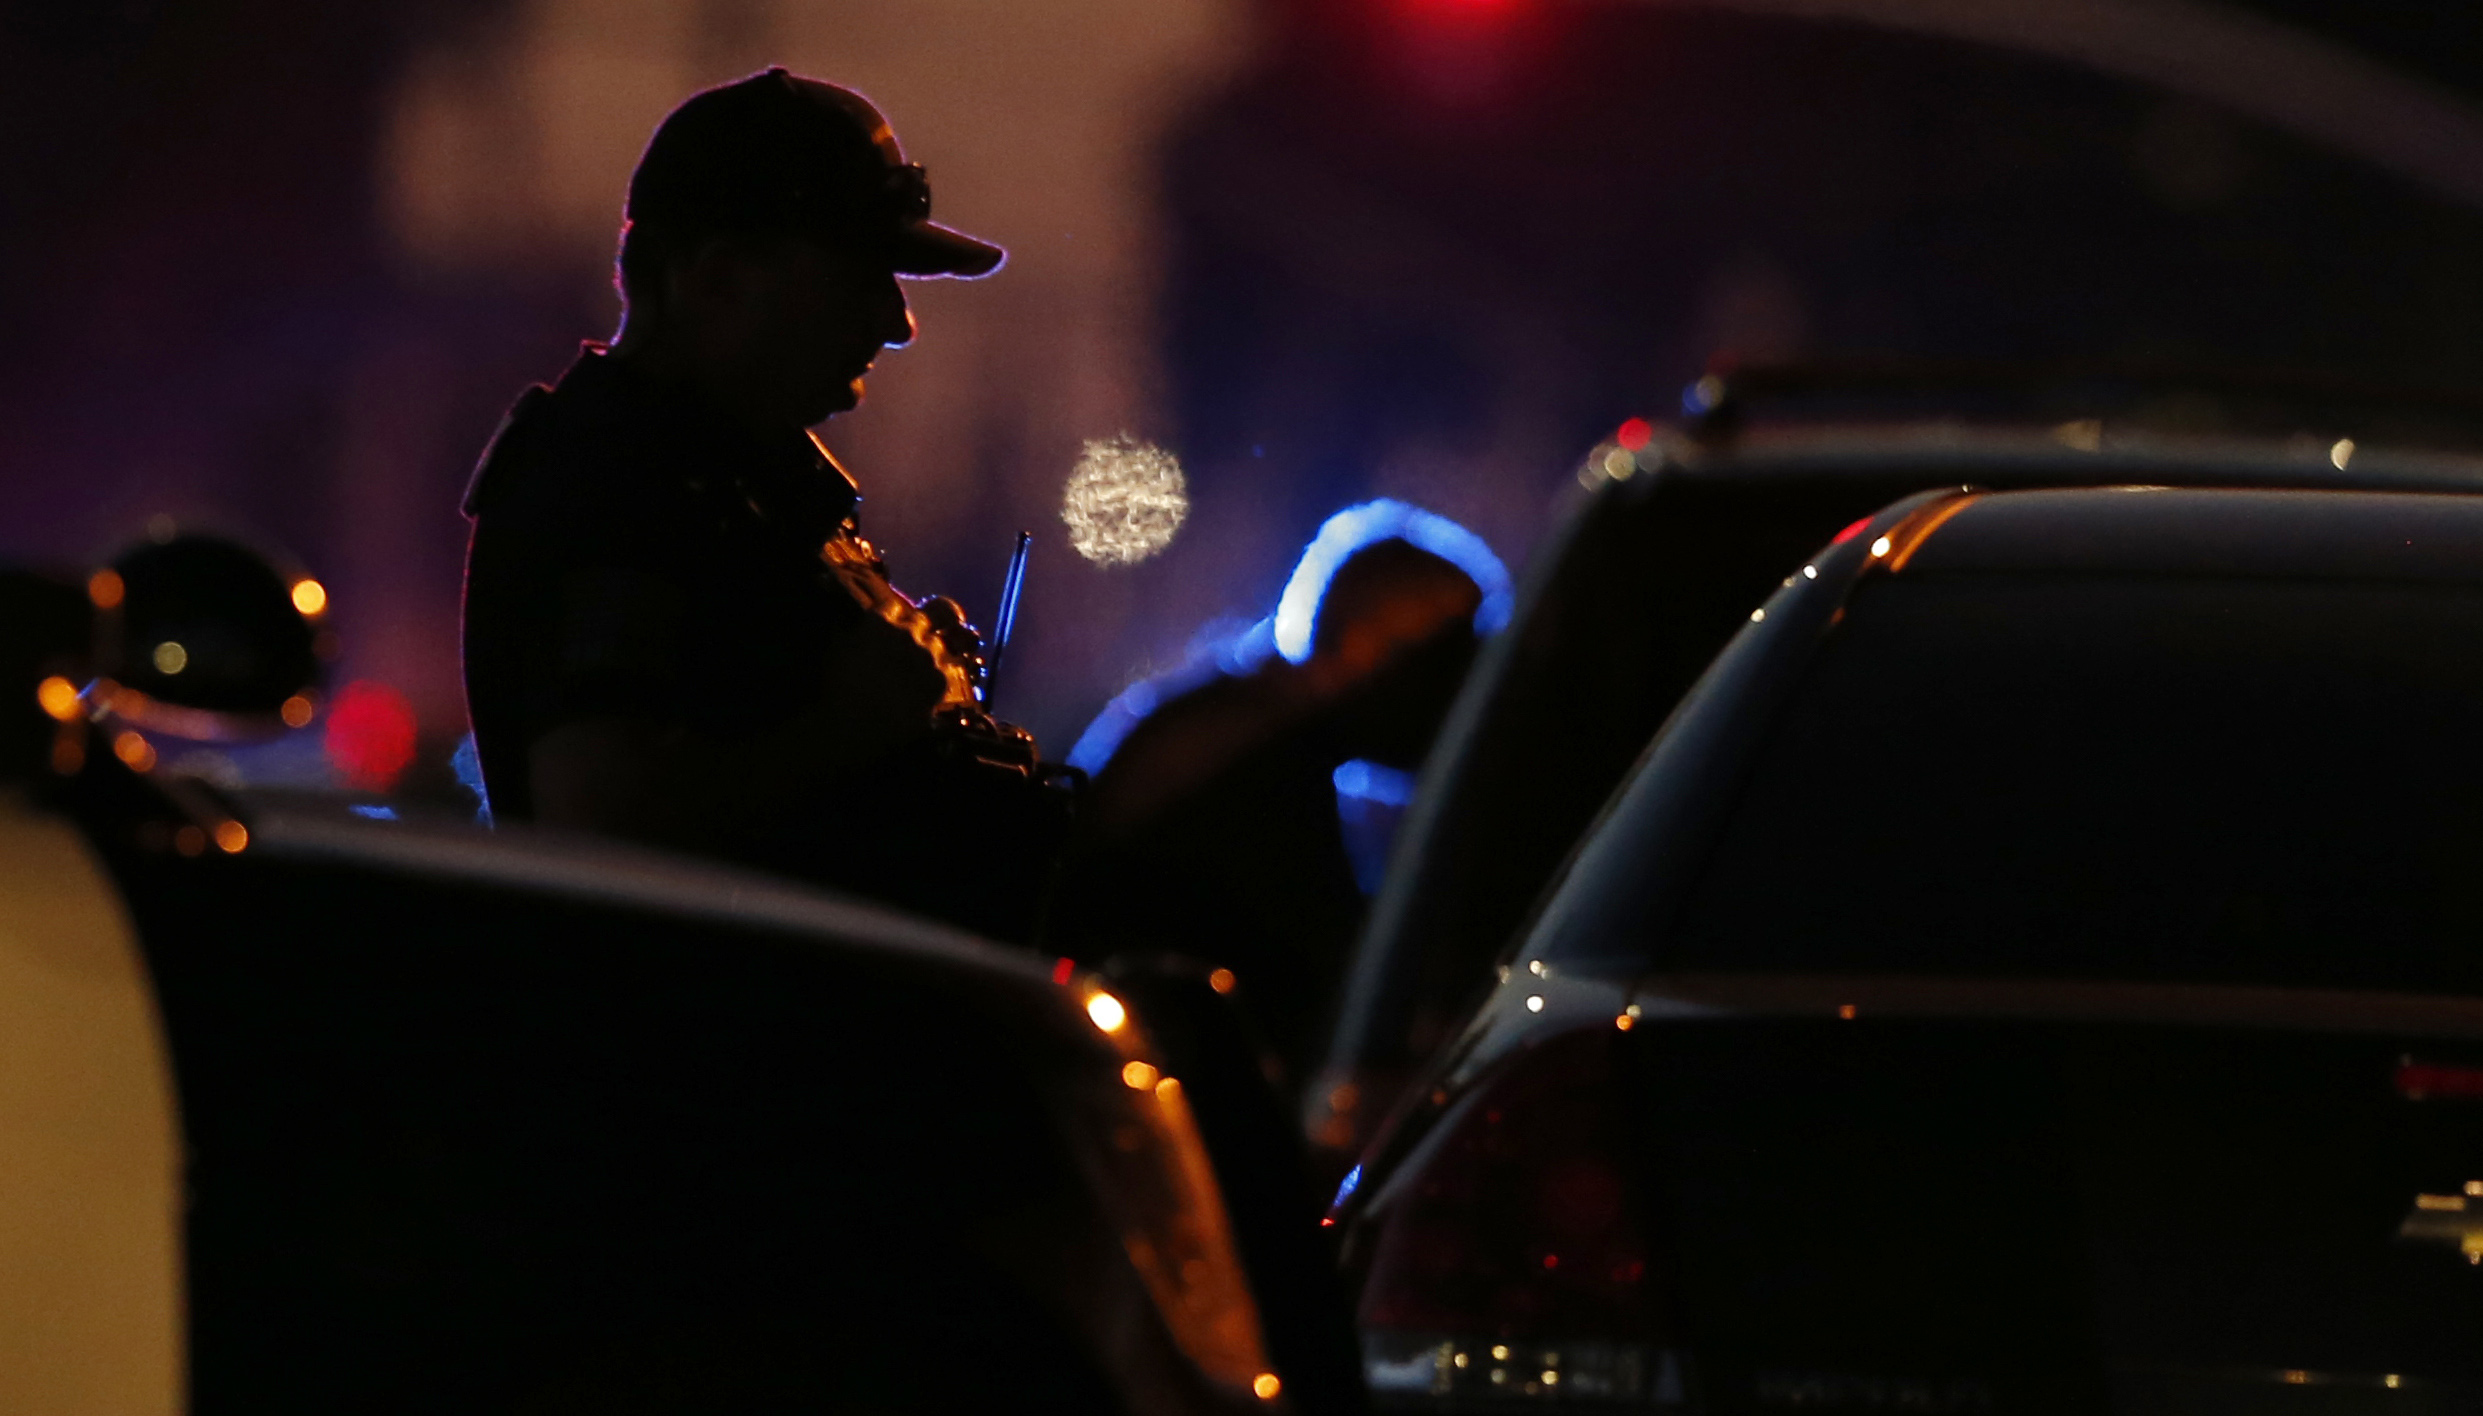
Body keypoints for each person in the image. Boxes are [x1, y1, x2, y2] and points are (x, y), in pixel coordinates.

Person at [459, 68, 1062, 938]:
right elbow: (597, 824)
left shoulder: (727, 480)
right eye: (861, 278)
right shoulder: (614, 481)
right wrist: (856, 718)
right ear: (715, 280)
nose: (897, 322)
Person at [1051, 502, 1508, 1087]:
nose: (1461, 705)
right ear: (1374, 646)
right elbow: (1330, 981)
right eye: (1447, 667)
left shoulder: (1221, 721)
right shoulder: (1261, 771)